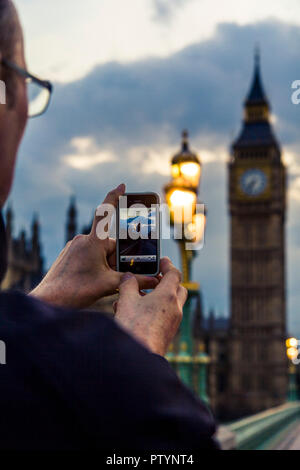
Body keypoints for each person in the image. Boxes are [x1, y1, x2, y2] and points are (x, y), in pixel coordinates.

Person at [0, 0, 218, 451]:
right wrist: (135, 357)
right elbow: (175, 446)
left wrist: (43, 301)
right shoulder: (92, 383)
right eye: (26, 85)